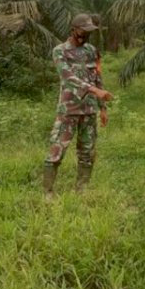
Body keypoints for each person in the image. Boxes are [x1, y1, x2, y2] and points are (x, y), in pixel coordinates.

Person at [42, 13, 113, 198]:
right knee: (57, 151)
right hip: (68, 110)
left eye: (89, 32)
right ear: (73, 29)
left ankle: (82, 190)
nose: (86, 35)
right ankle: (48, 193)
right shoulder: (60, 51)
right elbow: (67, 78)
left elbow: (97, 78)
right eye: (83, 31)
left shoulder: (91, 50)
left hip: (89, 110)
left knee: (87, 153)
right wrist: (93, 90)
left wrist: (102, 107)